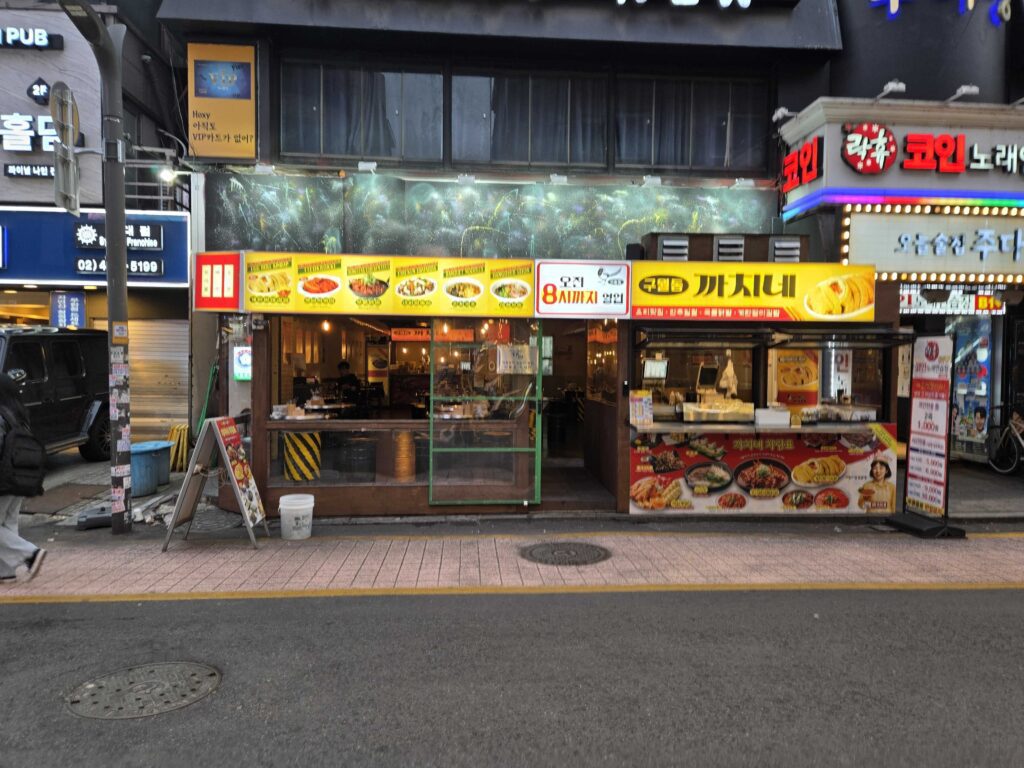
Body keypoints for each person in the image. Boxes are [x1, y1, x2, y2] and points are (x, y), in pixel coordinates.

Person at [0, 374, 46, 583]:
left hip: (4, 479)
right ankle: (6, 571)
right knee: (8, 523)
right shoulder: (19, 415)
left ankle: (31, 553)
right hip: (21, 477)